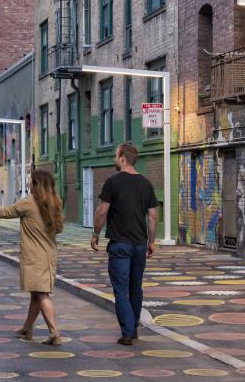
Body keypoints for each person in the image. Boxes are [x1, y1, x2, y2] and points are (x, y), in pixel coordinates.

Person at [0, 169, 63, 345]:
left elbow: (3, 212)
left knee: (42, 295)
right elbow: (59, 229)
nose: (27, 183)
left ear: (35, 184)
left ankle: (54, 332)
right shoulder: (54, 202)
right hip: (49, 255)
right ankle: (27, 328)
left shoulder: (29, 203)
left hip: (34, 256)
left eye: (30, 181)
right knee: (37, 293)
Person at [90, 143, 158, 346]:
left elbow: (102, 211)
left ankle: (127, 332)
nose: (114, 159)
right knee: (135, 286)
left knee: (120, 289)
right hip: (139, 245)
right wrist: (151, 241)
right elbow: (153, 216)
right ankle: (134, 327)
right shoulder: (146, 184)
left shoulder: (112, 182)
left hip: (120, 245)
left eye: (115, 156)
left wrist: (95, 234)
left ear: (122, 158)